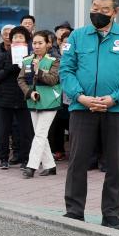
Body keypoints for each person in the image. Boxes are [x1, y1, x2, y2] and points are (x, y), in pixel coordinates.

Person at [60, 0, 119, 230]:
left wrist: (115, 98)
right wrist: (80, 96)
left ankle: (111, 215)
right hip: (82, 107)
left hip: (116, 109)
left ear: (115, 12)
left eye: (104, 10)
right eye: (94, 8)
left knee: (115, 164)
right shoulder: (77, 36)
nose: (97, 13)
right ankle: (74, 211)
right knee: (77, 161)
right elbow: (66, 70)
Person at [17, 30, 62, 178]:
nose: (36, 46)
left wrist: (38, 71)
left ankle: (31, 167)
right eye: (34, 43)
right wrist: (29, 92)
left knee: (40, 134)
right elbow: (21, 79)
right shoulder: (27, 60)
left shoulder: (54, 60)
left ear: (48, 44)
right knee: (40, 134)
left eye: (40, 43)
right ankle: (50, 166)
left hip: (50, 100)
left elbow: (53, 80)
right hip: (33, 100)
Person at [0, 25, 33, 170]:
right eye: (15, 37)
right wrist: (8, 70)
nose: (17, 39)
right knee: (3, 130)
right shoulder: (3, 56)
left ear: (26, 40)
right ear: (11, 40)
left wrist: (27, 69)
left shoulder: (31, 58)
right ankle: (3, 158)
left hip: (23, 99)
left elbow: (33, 78)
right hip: (4, 99)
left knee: (25, 131)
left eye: (21, 37)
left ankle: (25, 158)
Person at [49, 28, 72, 161]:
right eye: (65, 43)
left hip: (73, 97)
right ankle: (58, 150)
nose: (67, 45)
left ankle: (75, 150)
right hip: (57, 96)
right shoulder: (54, 59)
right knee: (57, 124)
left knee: (73, 125)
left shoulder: (79, 58)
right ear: (60, 43)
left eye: (70, 43)